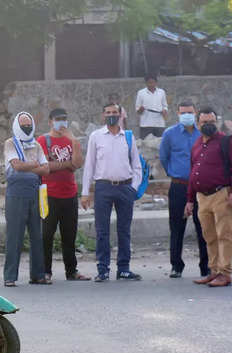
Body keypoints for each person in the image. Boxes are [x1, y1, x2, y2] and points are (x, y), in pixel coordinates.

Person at [82, 103, 143, 282]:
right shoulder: (96, 136)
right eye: (108, 112)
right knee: (102, 231)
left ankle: (123, 269)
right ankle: (103, 269)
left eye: (114, 112)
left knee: (124, 230)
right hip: (103, 187)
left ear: (121, 115)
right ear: (103, 115)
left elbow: (137, 166)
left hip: (125, 188)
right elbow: (89, 165)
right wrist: (85, 192)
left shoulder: (128, 137)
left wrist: (133, 188)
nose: (111, 115)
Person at [37, 108, 89, 282]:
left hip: (70, 193)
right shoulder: (43, 140)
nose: (62, 122)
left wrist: (74, 141)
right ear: (51, 121)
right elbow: (46, 166)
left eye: (64, 119)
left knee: (69, 234)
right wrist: (67, 164)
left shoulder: (71, 141)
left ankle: (71, 270)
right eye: (58, 119)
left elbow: (77, 164)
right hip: (49, 194)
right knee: (46, 235)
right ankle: (45, 271)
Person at [159, 100, 209, 279]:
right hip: (179, 186)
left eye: (189, 112)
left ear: (195, 113)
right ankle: (176, 266)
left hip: (201, 188)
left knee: (204, 226)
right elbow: (164, 158)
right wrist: (175, 174)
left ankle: (206, 266)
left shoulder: (203, 133)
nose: (186, 115)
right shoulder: (169, 134)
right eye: (183, 113)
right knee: (177, 227)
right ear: (178, 114)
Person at [184, 107, 232, 287]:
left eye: (211, 121)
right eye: (204, 122)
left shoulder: (226, 142)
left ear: (217, 122)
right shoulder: (196, 144)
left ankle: (225, 273)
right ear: (198, 124)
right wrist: (189, 200)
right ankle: (213, 270)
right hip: (202, 198)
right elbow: (192, 172)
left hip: (221, 195)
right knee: (209, 236)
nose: (208, 125)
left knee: (224, 235)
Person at [3, 112, 50, 287]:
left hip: (34, 193)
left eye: (28, 124)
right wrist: (34, 166)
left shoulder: (36, 145)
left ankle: (37, 275)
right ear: (17, 125)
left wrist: (29, 167)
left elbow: (46, 169)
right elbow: (16, 165)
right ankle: (10, 276)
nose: (26, 127)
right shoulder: (10, 143)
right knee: (14, 236)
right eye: (23, 124)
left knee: (37, 235)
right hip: (16, 194)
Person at [135, 74, 168, 139]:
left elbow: (165, 106)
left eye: (153, 82)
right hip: (145, 124)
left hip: (159, 124)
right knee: (144, 144)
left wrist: (164, 111)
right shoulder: (141, 93)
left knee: (160, 144)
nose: (151, 84)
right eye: (149, 83)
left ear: (156, 82)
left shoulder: (161, 92)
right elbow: (137, 110)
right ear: (146, 83)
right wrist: (141, 109)